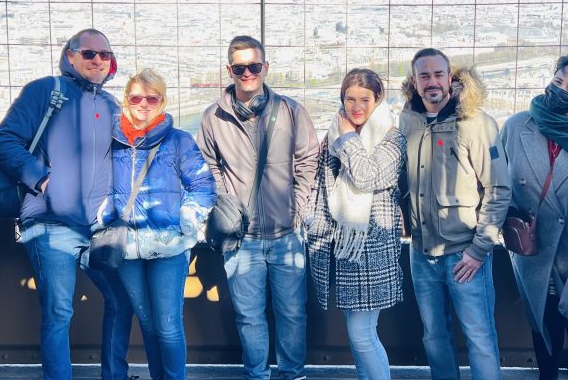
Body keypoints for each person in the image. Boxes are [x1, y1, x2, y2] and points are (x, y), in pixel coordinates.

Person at [0, 29, 134, 380]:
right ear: (70, 56)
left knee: (121, 299)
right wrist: (40, 177)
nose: (98, 60)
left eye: (104, 55)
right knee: (59, 311)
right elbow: (4, 141)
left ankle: (115, 374)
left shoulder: (111, 106)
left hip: (96, 227)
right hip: (49, 223)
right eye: (88, 53)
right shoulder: (45, 91)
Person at [195, 35, 319, 380]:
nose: (247, 72)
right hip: (241, 236)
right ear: (230, 70)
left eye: (253, 66)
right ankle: (257, 374)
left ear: (265, 67)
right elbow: (207, 166)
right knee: (249, 315)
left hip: (286, 233)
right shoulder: (213, 118)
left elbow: (308, 158)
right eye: (240, 67)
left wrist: (296, 206)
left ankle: (293, 374)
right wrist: (226, 201)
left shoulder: (291, 111)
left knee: (293, 313)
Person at [398, 48, 508, 380]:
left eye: (438, 74)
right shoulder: (408, 120)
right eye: (424, 75)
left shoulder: (476, 123)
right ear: (414, 82)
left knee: (480, 337)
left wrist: (478, 251)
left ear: (450, 78)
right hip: (421, 251)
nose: (431, 82)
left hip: (464, 253)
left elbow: (498, 189)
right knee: (433, 336)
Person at [498, 54, 568, 379]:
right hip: (534, 251)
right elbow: (498, 181)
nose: (560, 90)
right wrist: (510, 217)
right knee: (544, 329)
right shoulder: (518, 126)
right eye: (558, 81)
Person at [107, 68, 216, 380]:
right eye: (136, 98)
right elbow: (97, 189)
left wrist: (186, 221)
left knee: (168, 325)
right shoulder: (112, 143)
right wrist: (103, 220)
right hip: (126, 247)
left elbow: (203, 187)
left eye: (151, 98)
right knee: (147, 321)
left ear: (163, 101)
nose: (143, 104)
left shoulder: (179, 141)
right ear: (126, 100)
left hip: (168, 246)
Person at [306, 68, 406, 380]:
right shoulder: (333, 136)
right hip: (339, 248)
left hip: (370, 250)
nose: (356, 106)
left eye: (365, 99)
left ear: (379, 99)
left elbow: (365, 177)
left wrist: (348, 137)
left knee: (363, 334)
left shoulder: (392, 138)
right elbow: (320, 183)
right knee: (357, 334)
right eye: (350, 99)